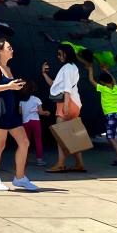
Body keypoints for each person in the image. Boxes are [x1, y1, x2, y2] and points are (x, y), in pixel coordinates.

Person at [0, 40, 38, 191]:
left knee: (24, 142)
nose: (12, 50)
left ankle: (19, 177)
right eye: (9, 48)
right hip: (0, 112)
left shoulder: (8, 68)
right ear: (0, 51)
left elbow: (8, 89)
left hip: (11, 112)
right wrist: (9, 85)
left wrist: (18, 86)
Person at [42, 45, 86, 173]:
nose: (58, 56)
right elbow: (56, 85)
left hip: (66, 103)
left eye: (60, 54)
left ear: (66, 54)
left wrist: (66, 105)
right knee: (74, 135)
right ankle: (79, 163)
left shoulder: (66, 68)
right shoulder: (73, 67)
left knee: (59, 134)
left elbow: (66, 88)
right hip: (75, 103)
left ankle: (61, 163)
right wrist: (44, 73)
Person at [88, 58, 117, 166]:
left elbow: (91, 80)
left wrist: (90, 69)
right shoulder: (116, 89)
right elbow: (114, 81)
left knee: (111, 137)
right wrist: (107, 71)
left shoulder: (103, 89)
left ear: (102, 82)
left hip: (111, 115)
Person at [19, 80, 46, 167]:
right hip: (35, 121)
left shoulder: (22, 101)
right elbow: (41, 112)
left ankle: (24, 160)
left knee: (25, 142)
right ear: (34, 89)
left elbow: (20, 112)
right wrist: (46, 113)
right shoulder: (37, 99)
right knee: (38, 140)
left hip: (25, 122)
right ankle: (39, 160)